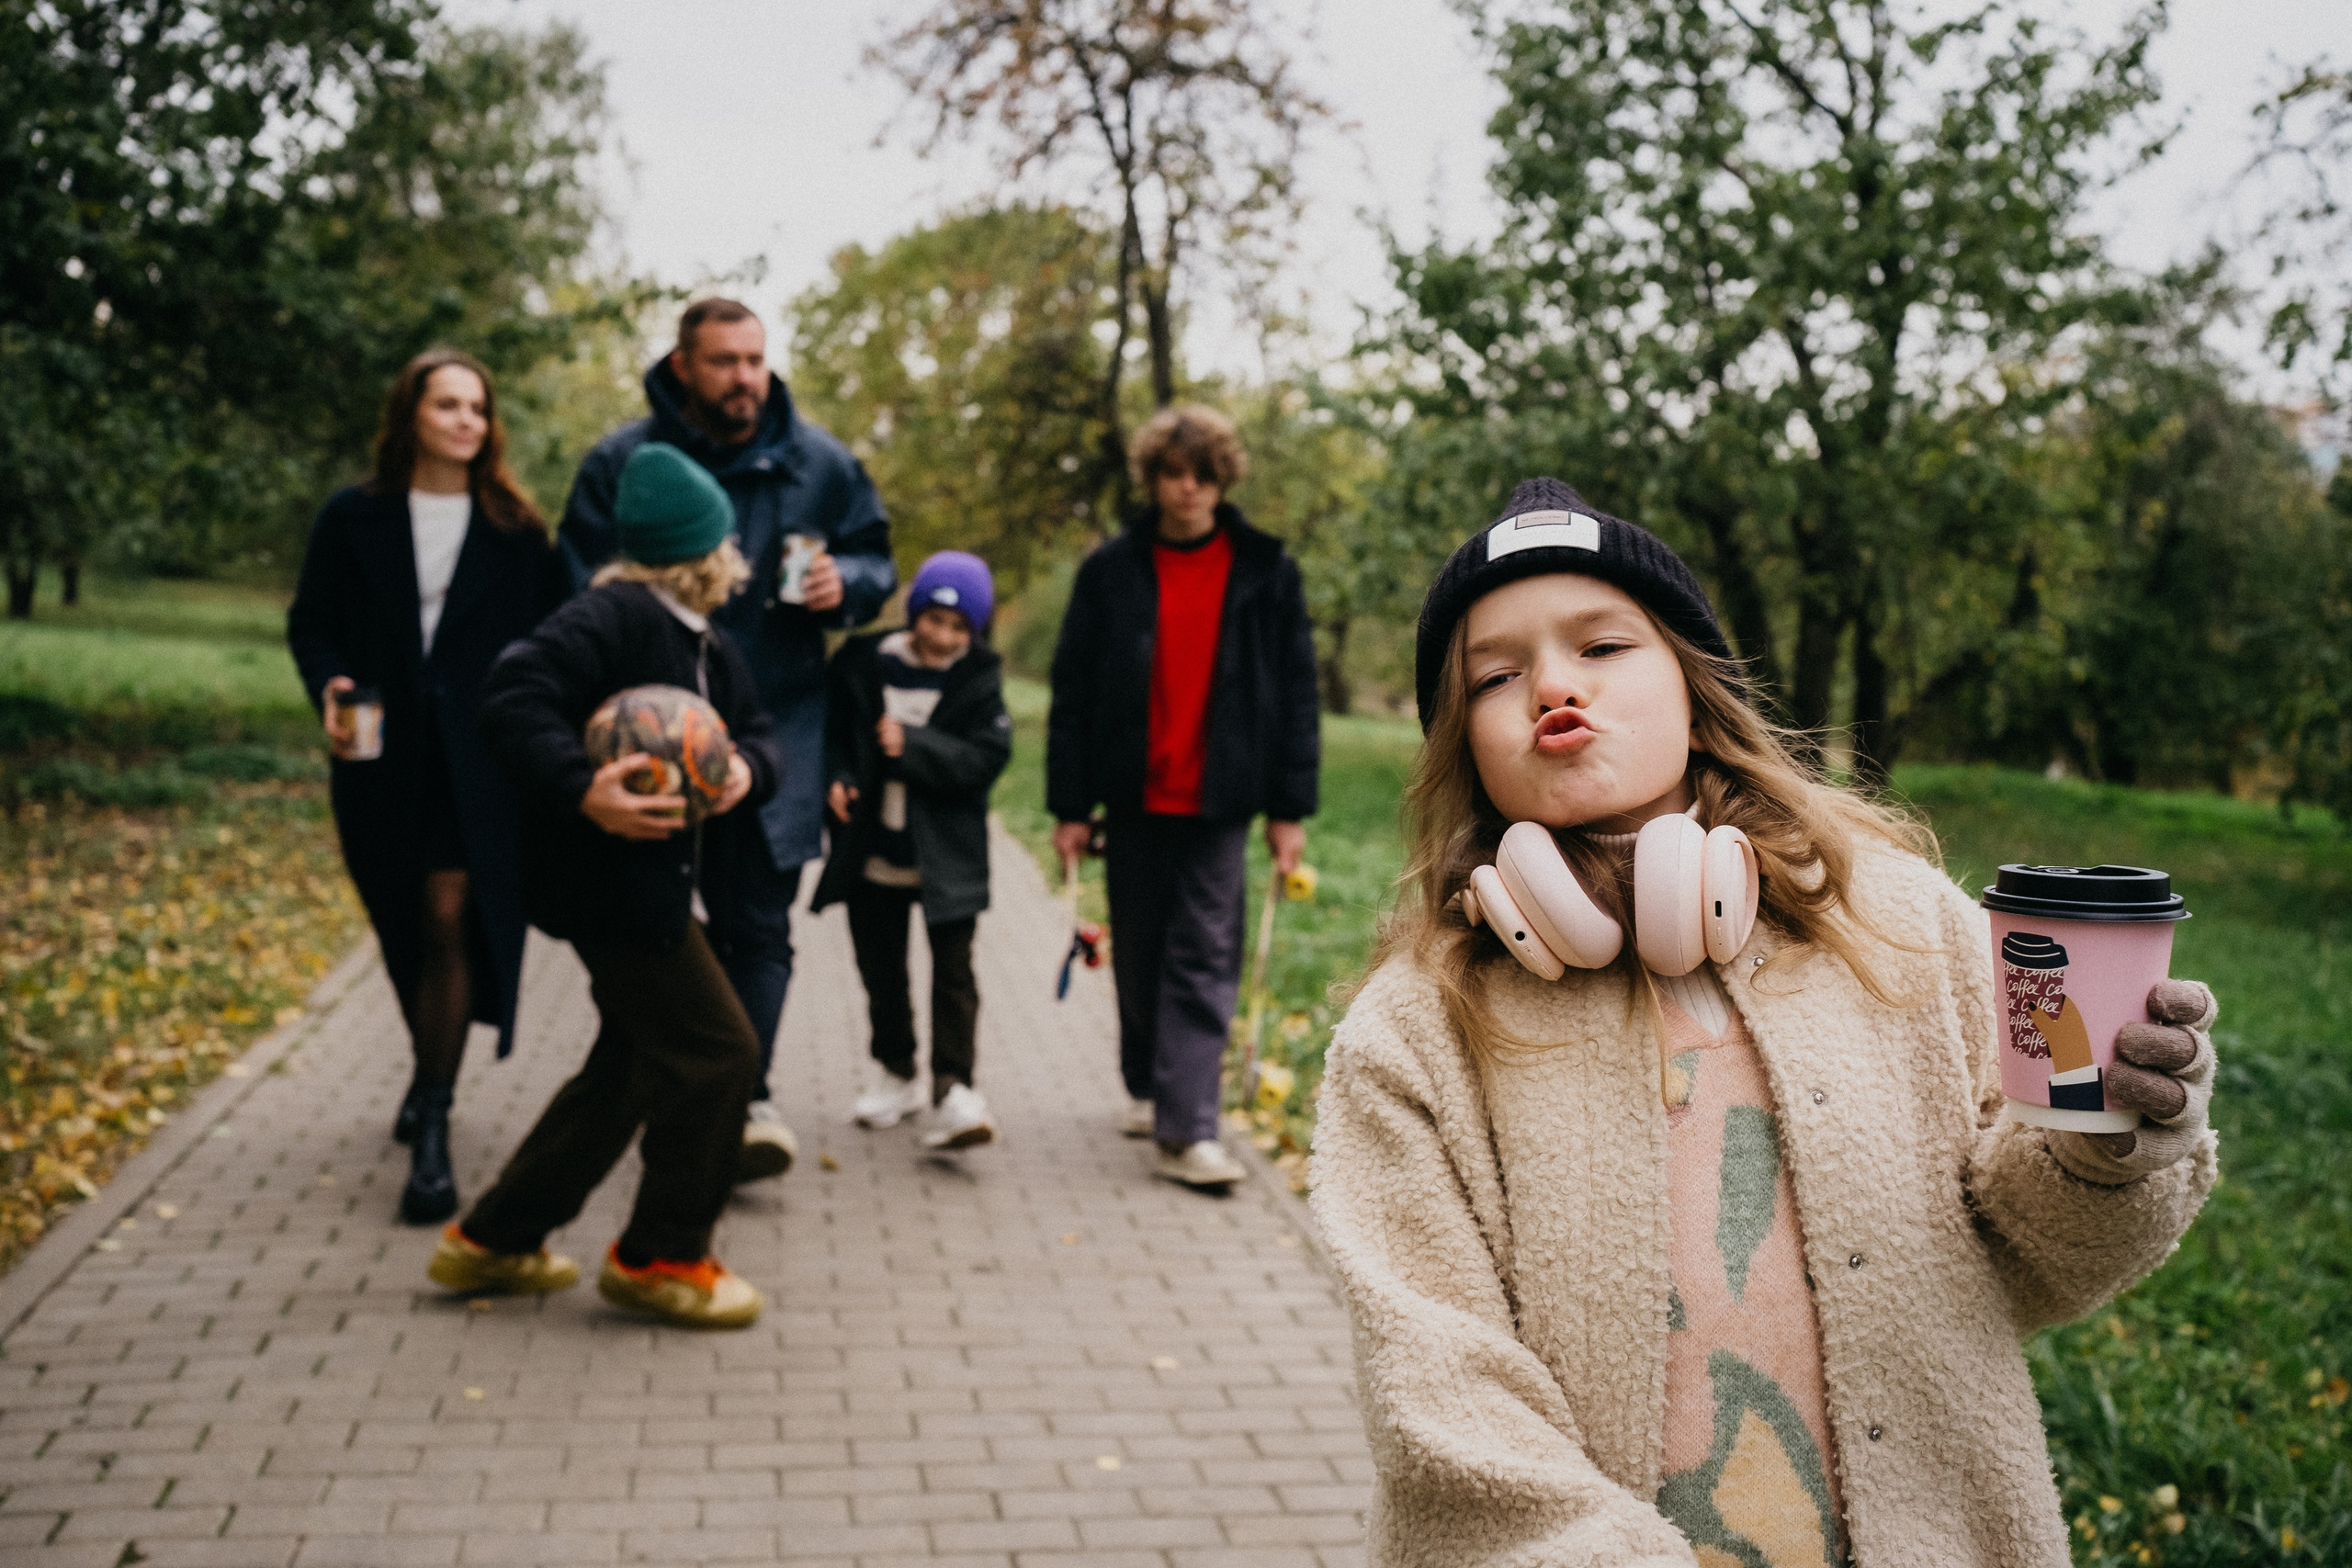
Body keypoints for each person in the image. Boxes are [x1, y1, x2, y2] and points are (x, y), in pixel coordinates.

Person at [1309, 478, 2223, 1565]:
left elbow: (2038, 1262)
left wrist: (2106, 1146)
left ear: (1696, 691)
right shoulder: (1413, 1033)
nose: (1551, 683)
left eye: (1601, 646)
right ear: (1465, 745)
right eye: (1495, 676)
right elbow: (1440, 1395)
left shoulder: (1896, 926)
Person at [428, 442, 785, 1328]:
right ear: (705, 551)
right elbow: (513, 695)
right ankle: (661, 1254)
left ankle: (494, 1240)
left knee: (628, 1066)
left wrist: (747, 770)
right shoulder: (615, 616)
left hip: (669, 893)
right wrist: (581, 787)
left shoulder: (711, 645)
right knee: (720, 1051)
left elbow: (764, 734)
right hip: (618, 895)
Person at [560, 298, 896, 1183]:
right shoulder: (621, 462)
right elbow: (571, 584)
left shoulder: (820, 463)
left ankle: (743, 1097)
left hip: (777, 729)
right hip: (650, 736)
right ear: (682, 366)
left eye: (754, 358)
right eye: (723, 361)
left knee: (759, 926)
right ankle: (653, 1085)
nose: (745, 377)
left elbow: (875, 557)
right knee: (652, 927)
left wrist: (846, 583)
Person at [287, 348, 571, 1225]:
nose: (464, 421)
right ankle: (427, 1071)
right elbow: (312, 622)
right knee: (404, 922)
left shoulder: (518, 532)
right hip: (379, 759)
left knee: (452, 915)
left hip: (479, 764)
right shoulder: (354, 517)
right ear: (410, 413)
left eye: (477, 409)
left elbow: (554, 637)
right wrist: (331, 684)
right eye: (447, 404)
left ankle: (437, 1125)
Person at [1046, 405, 1320, 1190]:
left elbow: (1297, 691)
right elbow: (1071, 690)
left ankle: (1187, 1127)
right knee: (1138, 953)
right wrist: (1070, 806)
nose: (1188, 489)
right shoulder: (1110, 570)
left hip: (1222, 799)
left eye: (1203, 474)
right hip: (1132, 796)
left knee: (1203, 955)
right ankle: (1147, 1082)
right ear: (1153, 480)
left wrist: (1288, 809)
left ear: (1223, 477)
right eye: (1174, 473)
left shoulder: (1266, 568)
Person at [811, 552, 1013, 1151]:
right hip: (873, 848)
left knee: (953, 974)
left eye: (959, 628)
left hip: (946, 858)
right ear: (914, 611)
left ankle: (953, 1086)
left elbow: (985, 758)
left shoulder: (979, 678)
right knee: (881, 968)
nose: (943, 637)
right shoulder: (863, 663)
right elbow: (834, 736)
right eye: (934, 619)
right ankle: (895, 1070)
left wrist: (913, 746)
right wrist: (839, 778)